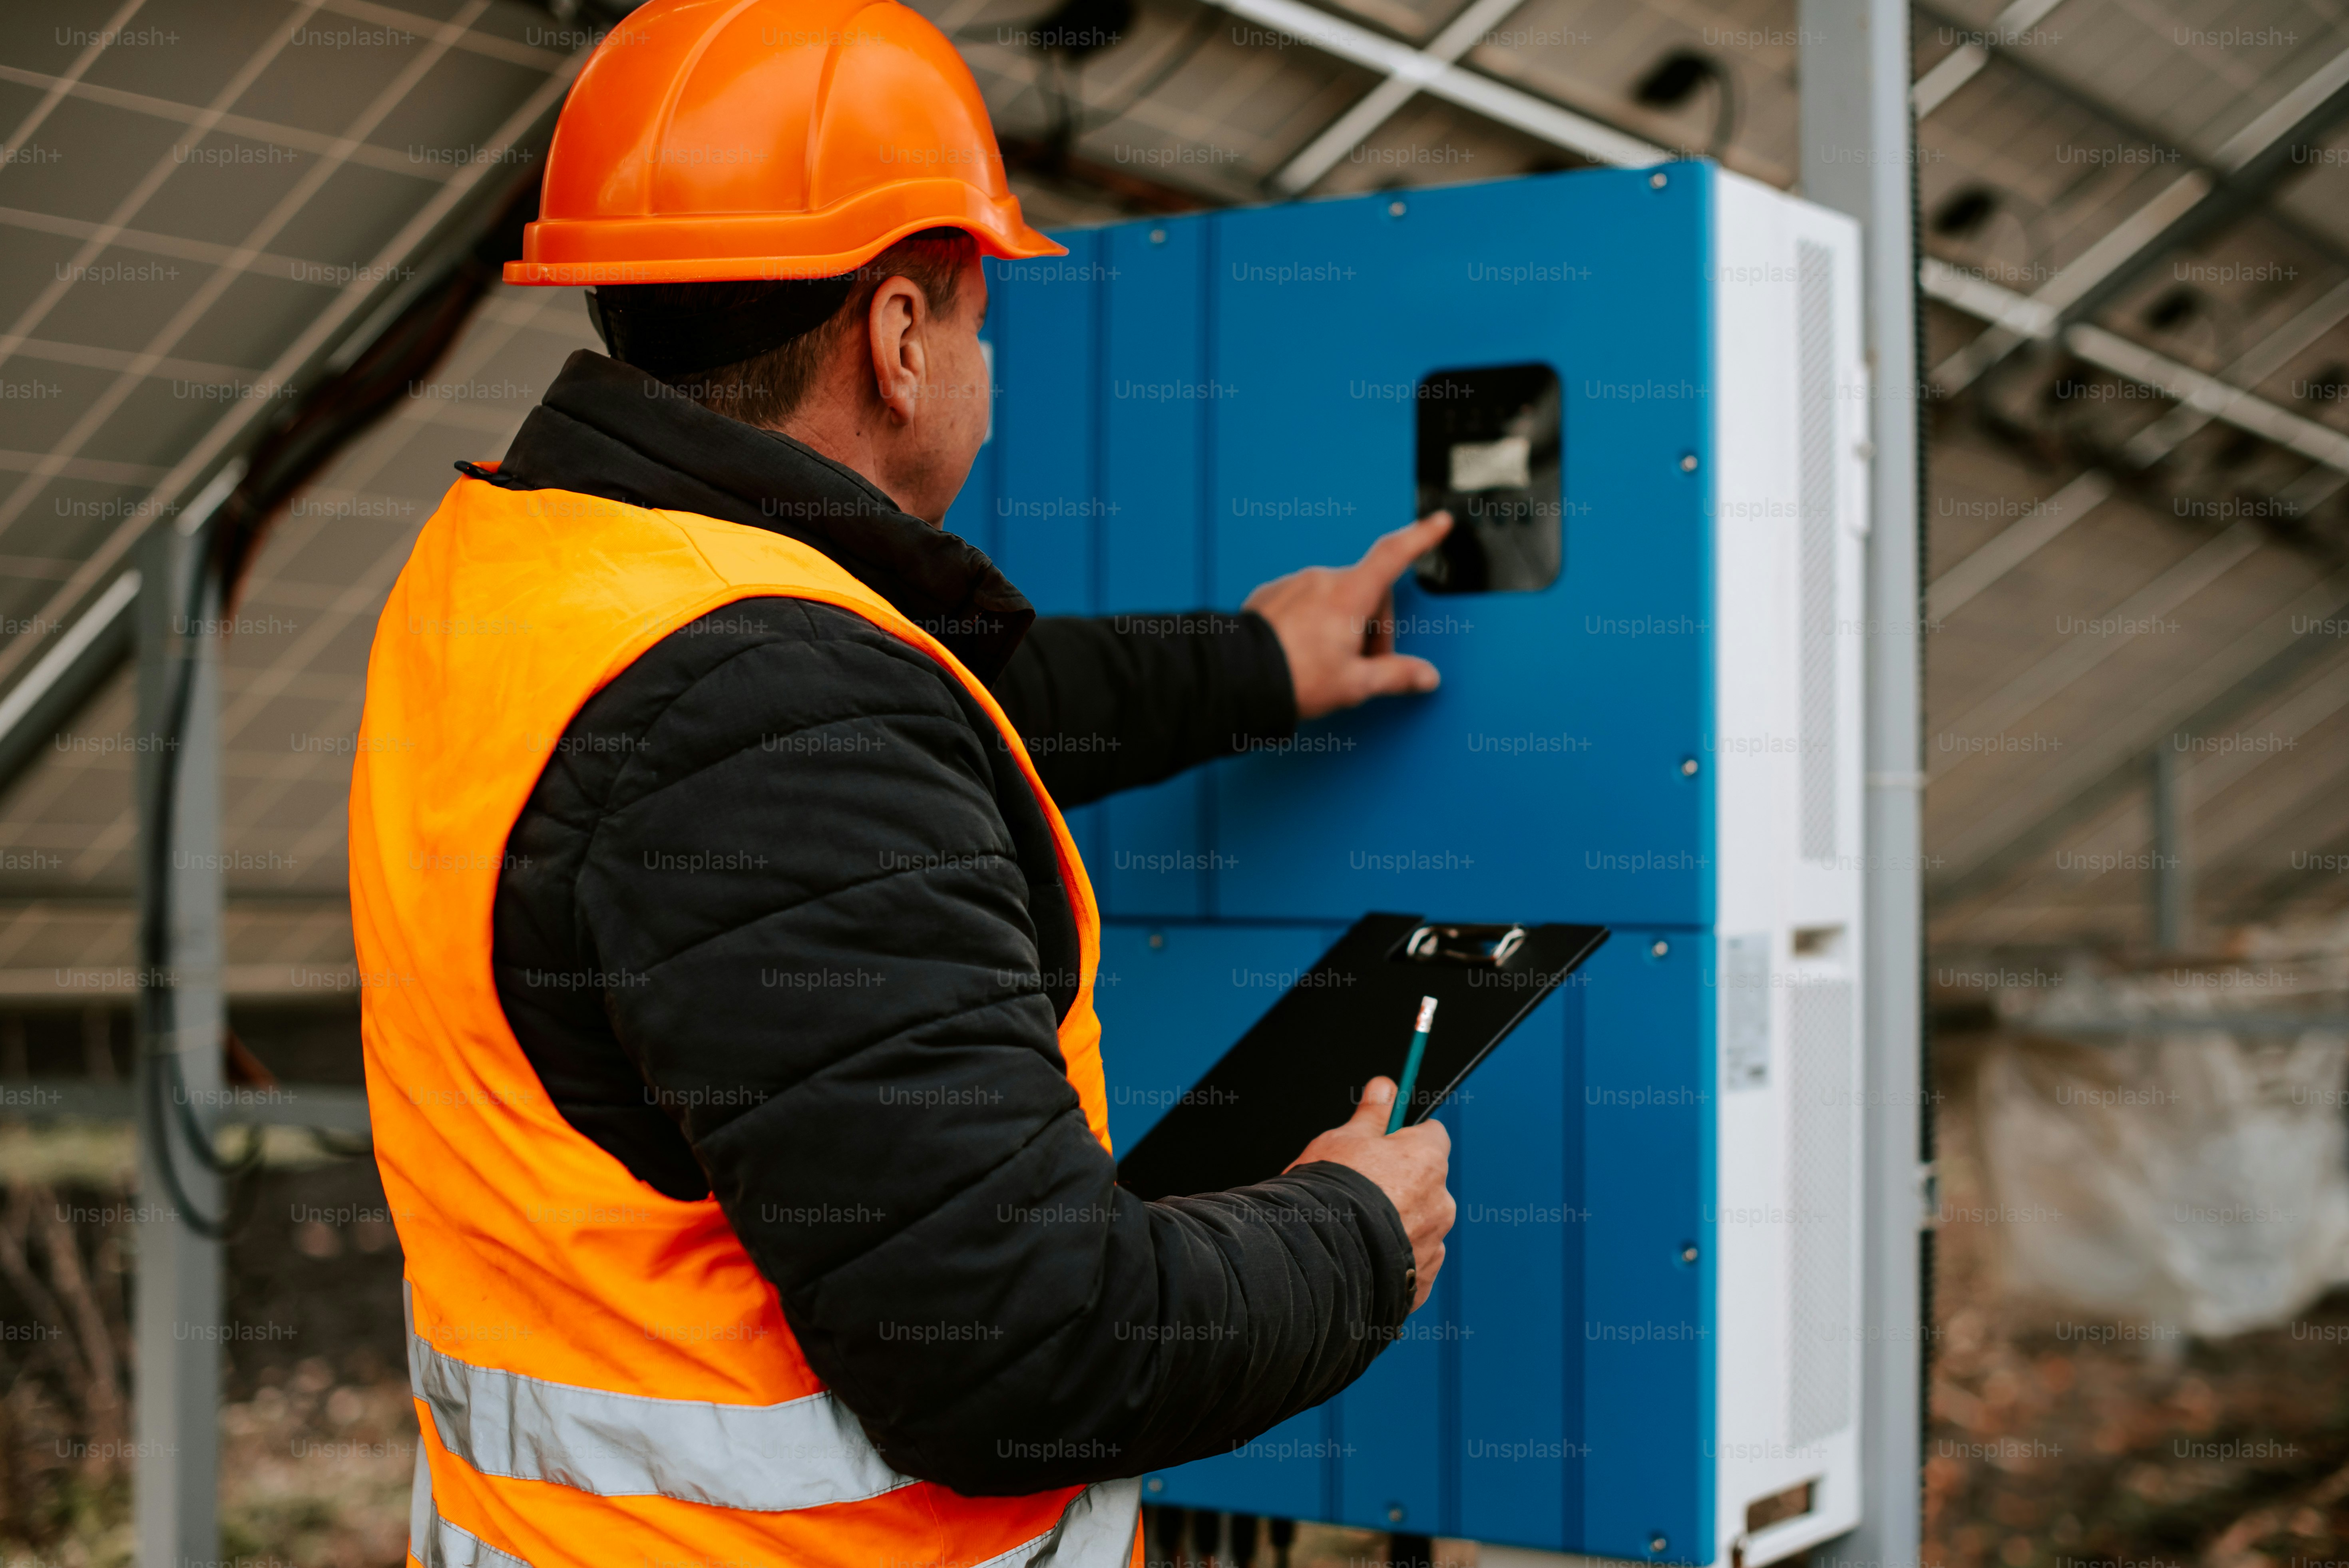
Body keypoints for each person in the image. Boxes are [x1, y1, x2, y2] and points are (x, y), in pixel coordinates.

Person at [349, 3, 1457, 1565]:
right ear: (899, 337)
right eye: (978, 317)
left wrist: (1257, 665)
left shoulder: (530, 575)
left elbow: (923, 708)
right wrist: (1353, 1238)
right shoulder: (766, 713)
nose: (983, 361)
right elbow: (1024, 1352)